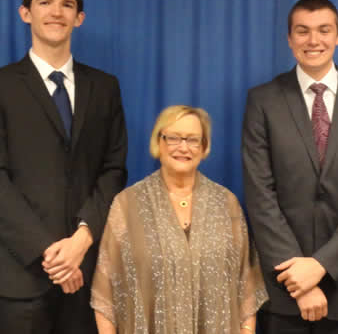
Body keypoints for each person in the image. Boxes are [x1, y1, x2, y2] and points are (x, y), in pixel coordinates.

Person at [242, 0, 338, 334]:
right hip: (284, 287)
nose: (313, 40)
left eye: (324, 30)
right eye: (302, 31)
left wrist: (321, 266)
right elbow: (261, 196)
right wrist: (300, 280)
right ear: (289, 38)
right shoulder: (262, 101)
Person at [0, 0, 128, 334]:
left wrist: (81, 241)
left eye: (66, 4)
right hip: (18, 278)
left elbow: (113, 169)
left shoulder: (104, 88)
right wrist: (50, 253)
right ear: (26, 13)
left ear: (79, 17)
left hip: (87, 272)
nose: (56, 12)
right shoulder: (3, 86)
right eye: (45, 2)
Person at [91, 105, 267, 333]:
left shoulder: (226, 203)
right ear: (158, 142)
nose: (183, 147)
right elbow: (105, 291)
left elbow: (247, 284)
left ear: (204, 147)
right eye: (173, 138)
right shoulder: (127, 204)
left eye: (193, 139)